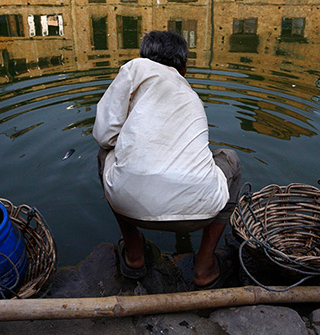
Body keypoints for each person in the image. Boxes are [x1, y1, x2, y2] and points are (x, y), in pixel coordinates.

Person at [93, 30, 242, 289]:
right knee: (231, 159)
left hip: (130, 204)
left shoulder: (135, 69)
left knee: (104, 154)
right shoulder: (189, 92)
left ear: (143, 57)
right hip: (203, 209)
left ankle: (134, 255)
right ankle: (205, 266)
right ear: (183, 69)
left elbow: (104, 136)